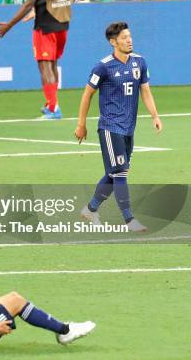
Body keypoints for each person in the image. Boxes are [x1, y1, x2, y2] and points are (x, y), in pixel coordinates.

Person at [75, 22, 162, 232]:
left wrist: (155, 116)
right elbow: (87, 94)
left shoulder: (139, 62)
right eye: (124, 38)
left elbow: (146, 91)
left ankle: (91, 209)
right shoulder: (103, 66)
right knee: (121, 173)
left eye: (130, 36)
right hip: (110, 127)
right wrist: (81, 124)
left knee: (114, 174)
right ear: (113, 42)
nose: (129, 40)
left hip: (128, 128)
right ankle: (129, 219)